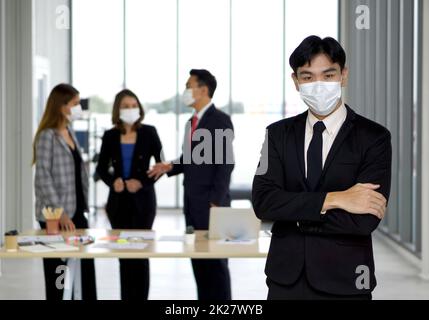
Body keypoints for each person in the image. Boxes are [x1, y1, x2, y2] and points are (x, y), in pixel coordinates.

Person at [252, 35, 392, 300]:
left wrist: (293, 216)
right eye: (308, 77)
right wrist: (335, 199)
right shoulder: (277, 135)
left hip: (346, 281)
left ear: (344, 75)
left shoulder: (374, 137)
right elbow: (263, 202)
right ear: (295, 81)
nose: (318, 85)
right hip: (285, 281)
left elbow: (364, 220)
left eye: (328, 76)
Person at [148, 69, 234, 300]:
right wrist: (169, 166)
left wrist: (216, 202)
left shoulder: (220, 121)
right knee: (199, 264)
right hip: (192, 204)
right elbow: (191, 159)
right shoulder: (192, 122)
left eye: (189, 85)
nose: (185, 91)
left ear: (203, 90)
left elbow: (225, 165)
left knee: (216, 266)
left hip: (211, 206)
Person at [96, 89, 162, 300]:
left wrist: (141, 182)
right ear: (118, 109)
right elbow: (100, 169)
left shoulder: (150, 132)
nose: (131, 109)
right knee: (123, 255)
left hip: (143, 202)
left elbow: (161, 166)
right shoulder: (110, 135)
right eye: (126, 106)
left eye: (134, 105)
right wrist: (112, 181)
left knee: (141, 255)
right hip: (118, 203)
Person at [33, 83, 97, 300]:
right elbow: (43, 177)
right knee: (60, 277)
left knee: (85, 274)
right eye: (75, 104)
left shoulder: (69, 131)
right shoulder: (46, 136)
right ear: (62, 106)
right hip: (56, 217)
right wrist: (60, 213)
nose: (79, 108)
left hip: (77, 212)